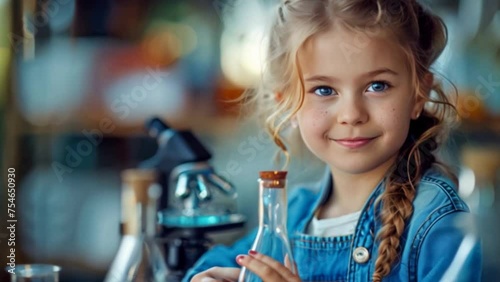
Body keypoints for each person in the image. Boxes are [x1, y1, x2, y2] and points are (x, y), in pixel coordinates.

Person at [185, 0, 482, 281]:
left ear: (419, 94)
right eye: (324, 90)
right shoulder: (293, 214)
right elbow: (212, 265)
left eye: (377, 86)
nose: (351, 115)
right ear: (289, 105)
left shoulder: (437, 220)